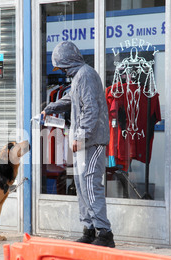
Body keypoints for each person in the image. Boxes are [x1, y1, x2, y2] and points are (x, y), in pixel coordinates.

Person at [42, 41, 115, 248]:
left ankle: (105, 233)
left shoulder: (86, 75)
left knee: (91, 186)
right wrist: (49, 108)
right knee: (82, 187)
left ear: (68, 61)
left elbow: (91, 110)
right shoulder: (78, 78)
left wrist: (80, 137)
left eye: (61, 66)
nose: (62, 71)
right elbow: (70, 99)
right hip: (83, 143)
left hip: (91, 143)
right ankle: (89, 229)